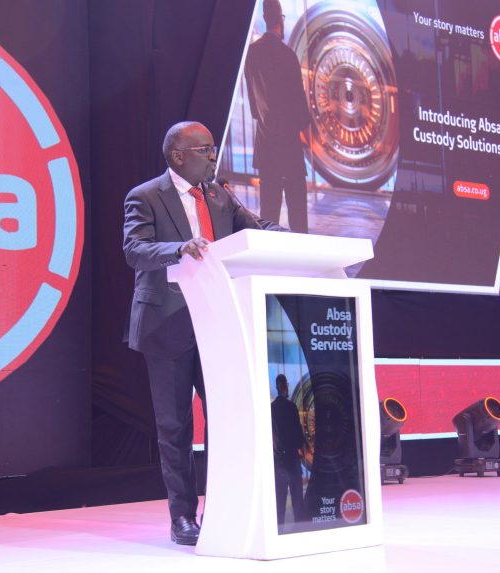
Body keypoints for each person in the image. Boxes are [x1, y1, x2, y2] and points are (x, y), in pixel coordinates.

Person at [123, 121, 282, 546]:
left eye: (213, 149)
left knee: (225, 421)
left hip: (220, 323)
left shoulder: (220, 194)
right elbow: (135, 249)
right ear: (178, 156)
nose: (213, 156)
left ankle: (223, 508)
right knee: (174, 427)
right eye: (205, 149)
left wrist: (281, 236)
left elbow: (255, 226)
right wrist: (179, 248)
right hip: (167, 325)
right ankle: (182, 517)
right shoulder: (145, 196)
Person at [244, 0, 311, 233]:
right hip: (289, 146)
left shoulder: (252, 53)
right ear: (280, 19)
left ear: (265, 18)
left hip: (266, 145)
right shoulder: (288, 55)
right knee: (298, 214)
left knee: (269, 213)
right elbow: (300, 108)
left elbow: (254, 106)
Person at [271, 373, 306, 529]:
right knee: (297, 500)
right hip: (292, 461)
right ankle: (299, 531)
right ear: (285, 386)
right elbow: (298, 436)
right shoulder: (291, 407)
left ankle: (279, 531)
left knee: (279, 502)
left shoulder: (271, 409)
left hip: (278, 462)